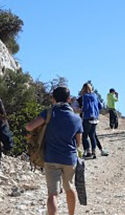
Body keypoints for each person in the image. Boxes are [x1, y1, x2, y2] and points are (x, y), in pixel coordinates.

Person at [25, 87, 83, 215]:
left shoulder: (48, 113)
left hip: (51, 158)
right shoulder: (76, 118)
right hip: (69, 158)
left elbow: (29, 127)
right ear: (69, 99)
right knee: (69, 187)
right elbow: (78, 143)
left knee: (52, 194)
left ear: (53, 98)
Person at [79, 83, 106, 159]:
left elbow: (86, 107)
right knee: (92, 135)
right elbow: (100, 106)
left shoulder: (85, 96)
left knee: (85, 136)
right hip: (95, 117)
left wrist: (81, 110)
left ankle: (88, 151)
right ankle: (94, 152)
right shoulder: (95, 95)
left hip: (88, 117)